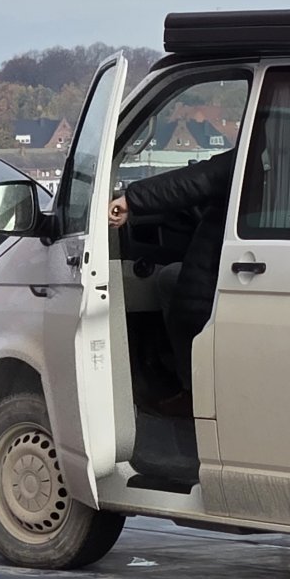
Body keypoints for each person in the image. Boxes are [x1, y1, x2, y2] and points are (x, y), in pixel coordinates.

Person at [108, 149, 237, 414]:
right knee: (169, 278)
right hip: (235, 262)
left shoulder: (261, 146)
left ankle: (193, 393)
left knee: (187, 306)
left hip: (221, 268)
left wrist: (130, 201)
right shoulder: (288, 150)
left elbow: (198, 179)